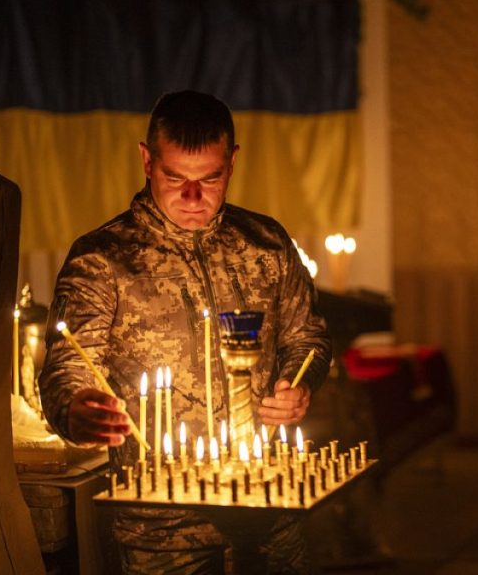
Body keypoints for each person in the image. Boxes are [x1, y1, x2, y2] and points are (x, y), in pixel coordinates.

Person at [39, 90, 332, 573]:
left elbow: (309, 340)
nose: (193, 197)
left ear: (232, 163)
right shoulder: (102, 260)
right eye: (175, 178)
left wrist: (300, 384)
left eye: (209, 178)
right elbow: (66, 369)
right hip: (160, 528)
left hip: (268, 511)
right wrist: (76, 410)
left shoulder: (266, 245)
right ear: (147, 161)